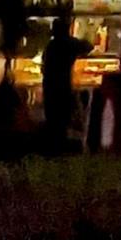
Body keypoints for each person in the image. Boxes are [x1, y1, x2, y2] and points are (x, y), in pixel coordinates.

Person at [42, 16, 86, 149]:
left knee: (53, 116)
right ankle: (60, 143)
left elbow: (44, 66)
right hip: (63, 84)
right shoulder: (69, 43)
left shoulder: (51, 45)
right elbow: (87, 46)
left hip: (50, 85)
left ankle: (54, 144)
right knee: (62, 115)